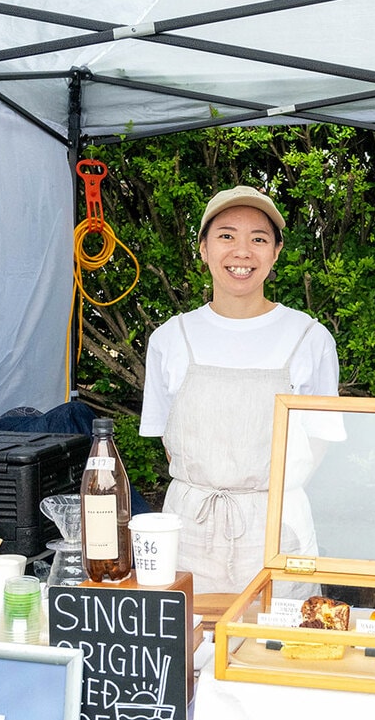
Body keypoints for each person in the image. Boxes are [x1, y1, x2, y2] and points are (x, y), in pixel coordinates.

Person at [139, 185, 340, 593]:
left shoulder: (309, 337)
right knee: (191, 631)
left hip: (278, 528)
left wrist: (265, 494)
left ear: (276, 252)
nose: (242, 252)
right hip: (190, 529)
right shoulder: (171, 338)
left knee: (285, 632)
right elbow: (170, 444)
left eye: (259, 239)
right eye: (226, 236)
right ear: (203, 248)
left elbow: (320, 439)